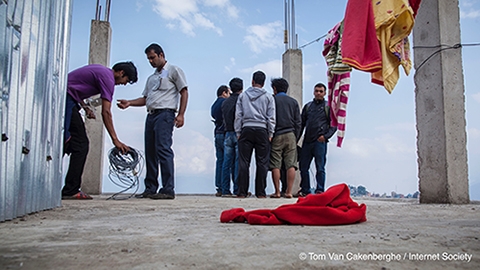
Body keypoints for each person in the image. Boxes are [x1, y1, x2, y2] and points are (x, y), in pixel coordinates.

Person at [117, 43, 188, 200]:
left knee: (163, 149)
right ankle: (150, 187)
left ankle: (168, 188)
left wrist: (181, 114)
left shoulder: (174, 71)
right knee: (150, 151)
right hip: (151, 115)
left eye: (153, 57)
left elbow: (184, 91)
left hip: (166, 114)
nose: (151, 61)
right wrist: (129, 103)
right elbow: (145, 98)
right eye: (148, 59)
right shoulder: (152, 78)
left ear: (161, 55)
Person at [62, 62, 138, 200]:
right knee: (78, 144)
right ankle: (70, 190)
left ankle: (64, 187)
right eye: (126, 80)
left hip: (66, 97)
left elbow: (75, 87)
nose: (124, 84)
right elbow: (106, 112)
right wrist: (115, 140)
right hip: (66, 99)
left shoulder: (101, 70)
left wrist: (85, 108)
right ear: (121, 72)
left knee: (70, 142)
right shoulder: (108, 79)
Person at [234, 71, 275, 198]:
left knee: (244, 162)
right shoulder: (268, 97)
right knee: (262, 162)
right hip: (262, 130)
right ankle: (261, 192)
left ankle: (242, 191)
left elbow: (238, 115)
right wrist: (271, 132)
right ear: (263, 83)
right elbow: (271, 116)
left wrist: (238, 131)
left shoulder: (243, 96)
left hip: (246, 128)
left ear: (252, 81)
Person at [297, 83, 337, 197]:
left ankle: (320, 190)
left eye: (321, 91)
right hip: (307, 142)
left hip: (320, 142)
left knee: (320, 167)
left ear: (324, 93)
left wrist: (325, 137)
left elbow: (334, 125)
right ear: (313, 92)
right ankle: (306, 190)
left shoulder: (328, 107)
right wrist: (296, 140)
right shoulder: (308, 106)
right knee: (303, 167)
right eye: (316, 91)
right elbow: (301, 124)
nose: (318, 93)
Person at [269, 78, 301, 199]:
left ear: (275, 89)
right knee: (291, 164)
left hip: (277, 134)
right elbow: (298, 122)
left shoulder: (272, 100)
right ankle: (288, 191)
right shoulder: (293, 102)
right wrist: (295, 137)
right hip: (290, 134)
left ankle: (277, 191)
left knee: (275, 164)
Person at [220, 77, 243, 197]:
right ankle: (237, 189)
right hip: (239, 133)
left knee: (226, 162)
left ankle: (225, 189)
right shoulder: (242, 100)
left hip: (227, 132)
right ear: (242, 88)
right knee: (238, 162)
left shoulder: (225, 102)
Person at [211, 85, 230, 196]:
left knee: (220, 161)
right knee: (227, 162)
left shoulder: (214, 105)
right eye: (228, 93)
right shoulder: (224, 103)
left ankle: (219, 187)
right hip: (224, 133)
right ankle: (226, 187)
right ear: (224, 93)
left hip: (217, 133)